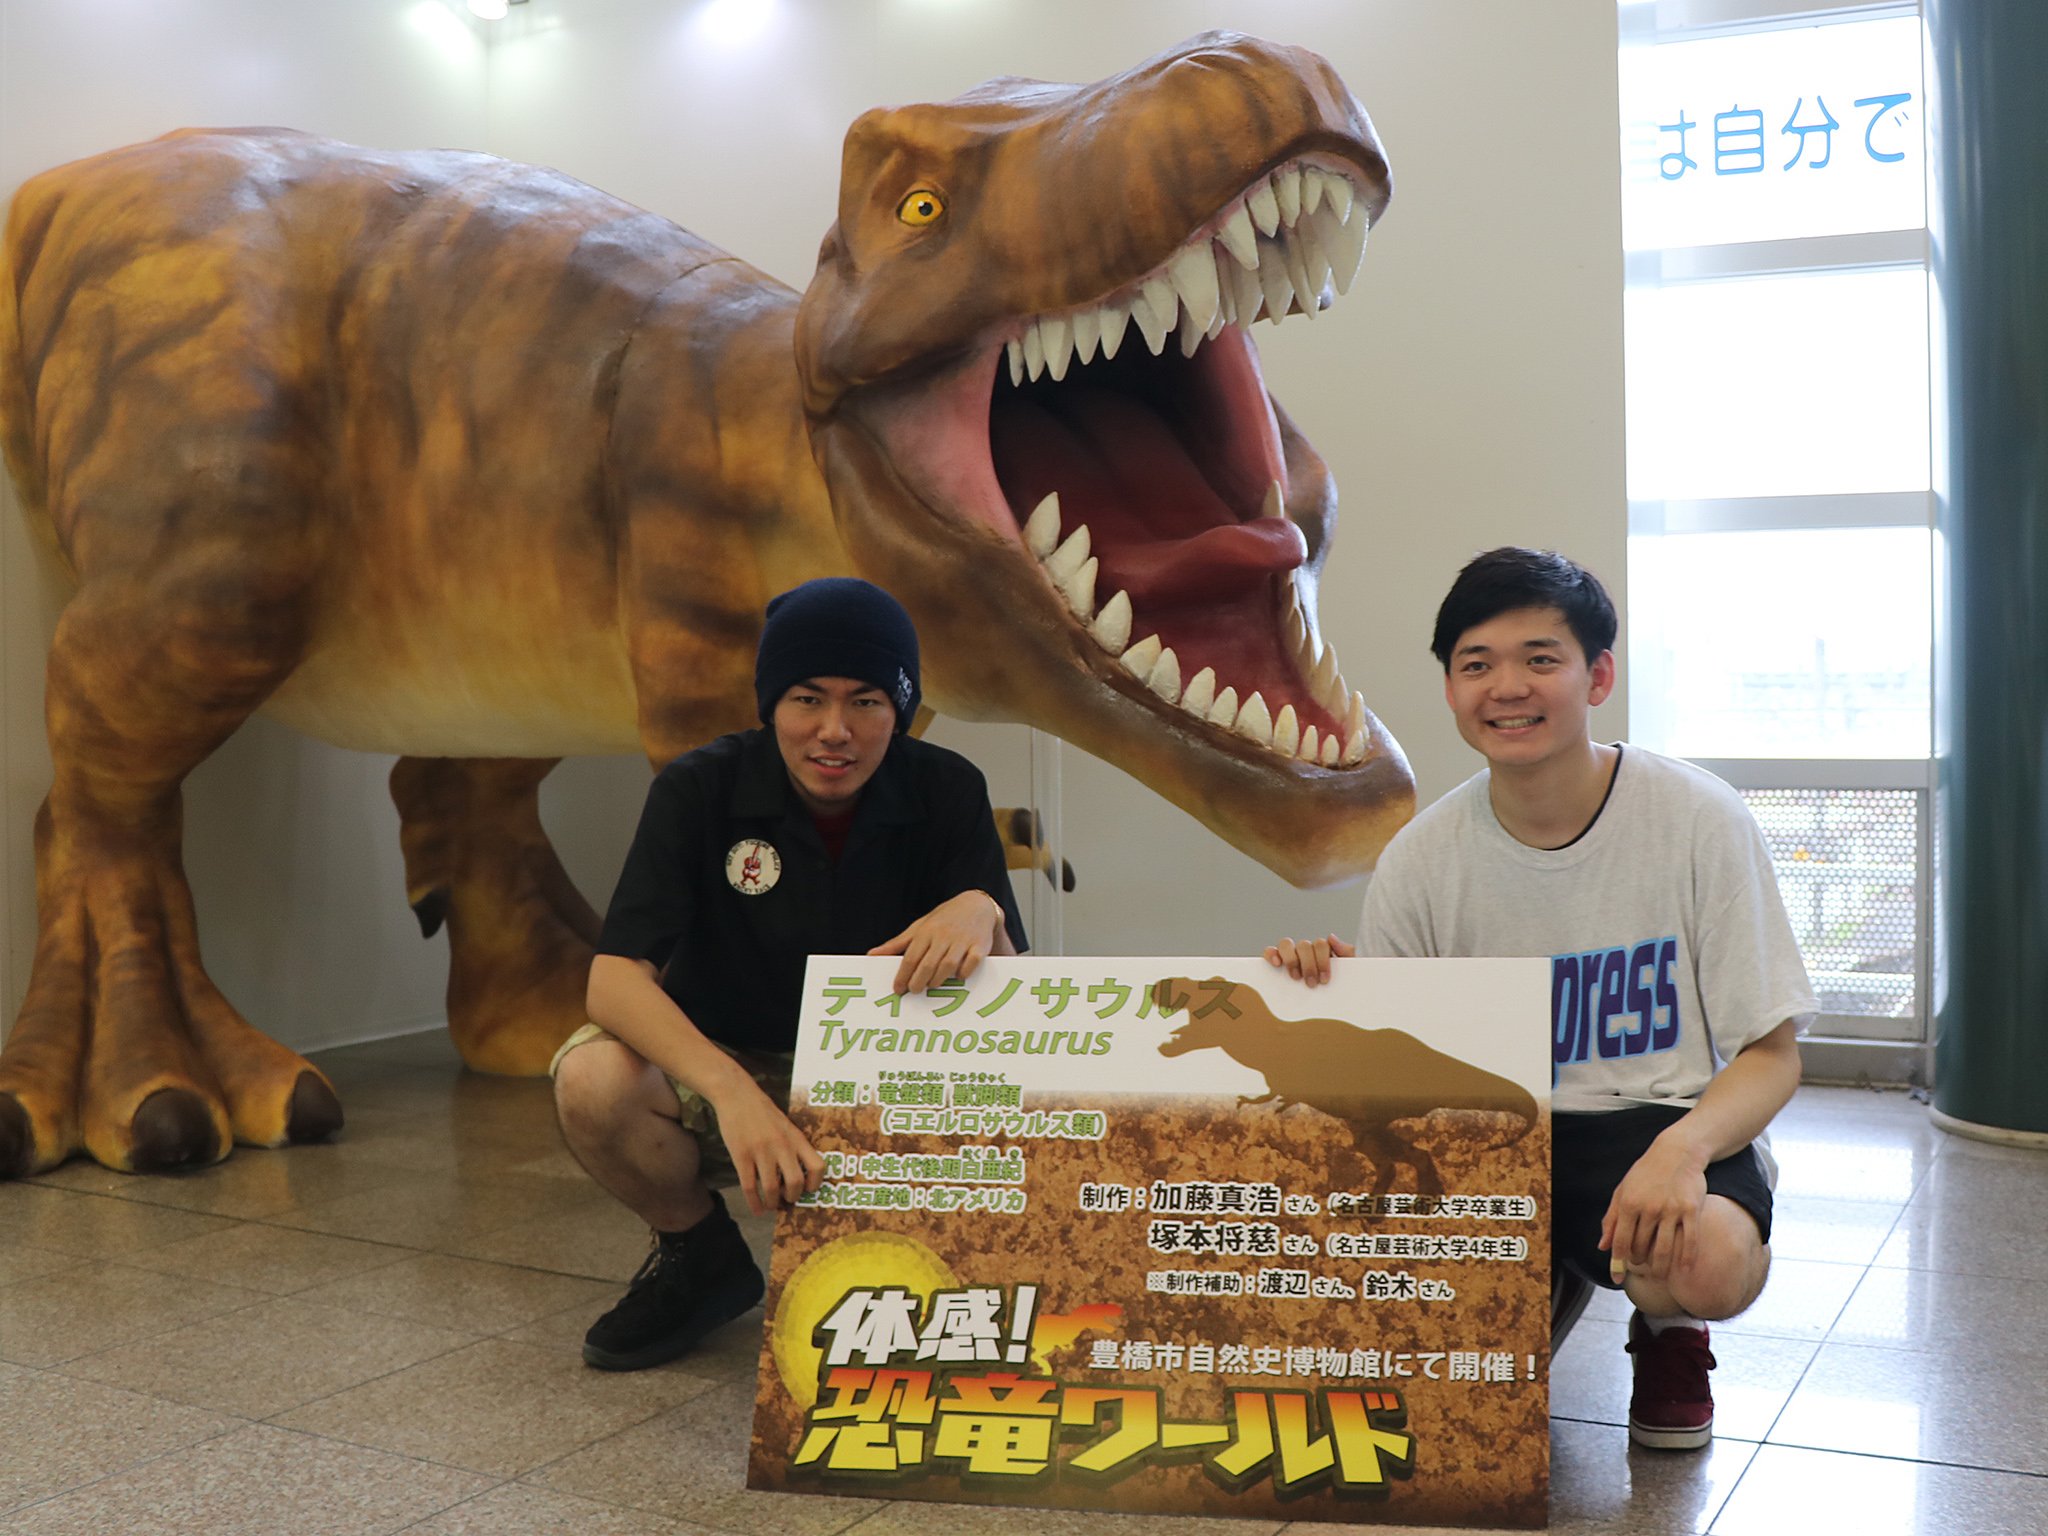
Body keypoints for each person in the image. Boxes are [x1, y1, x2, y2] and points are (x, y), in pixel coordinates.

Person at [1268, 548, 1812, 1452]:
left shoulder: (1697, 820)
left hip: (1655, 1121)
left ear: (1597, 677)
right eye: (1476, 664)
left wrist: (1681, 1152)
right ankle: (1546, 1273)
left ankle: (1668, 1326)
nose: (1507, 687)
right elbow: (1397, 1050)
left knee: (1707, 1260)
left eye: (1540, 659)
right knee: (1408, 1385)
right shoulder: (1421, 856)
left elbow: (1773, 1052)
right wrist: (1321, 985)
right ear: (1451, 689)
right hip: (1495, 1128)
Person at [553, 577, 1026, 1372]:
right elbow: (614, 979)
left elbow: (1014, 998)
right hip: (732, 1060)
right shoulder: (699, 789)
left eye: (866, 702)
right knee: (592, 1080)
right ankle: (698, 1257)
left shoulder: (948, 789)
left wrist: (984, 910)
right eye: (807, 698)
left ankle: (927, 1259)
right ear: (771, 702)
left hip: (885, 1079)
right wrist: (733, 1094)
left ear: (901, 710)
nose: (834, 731)